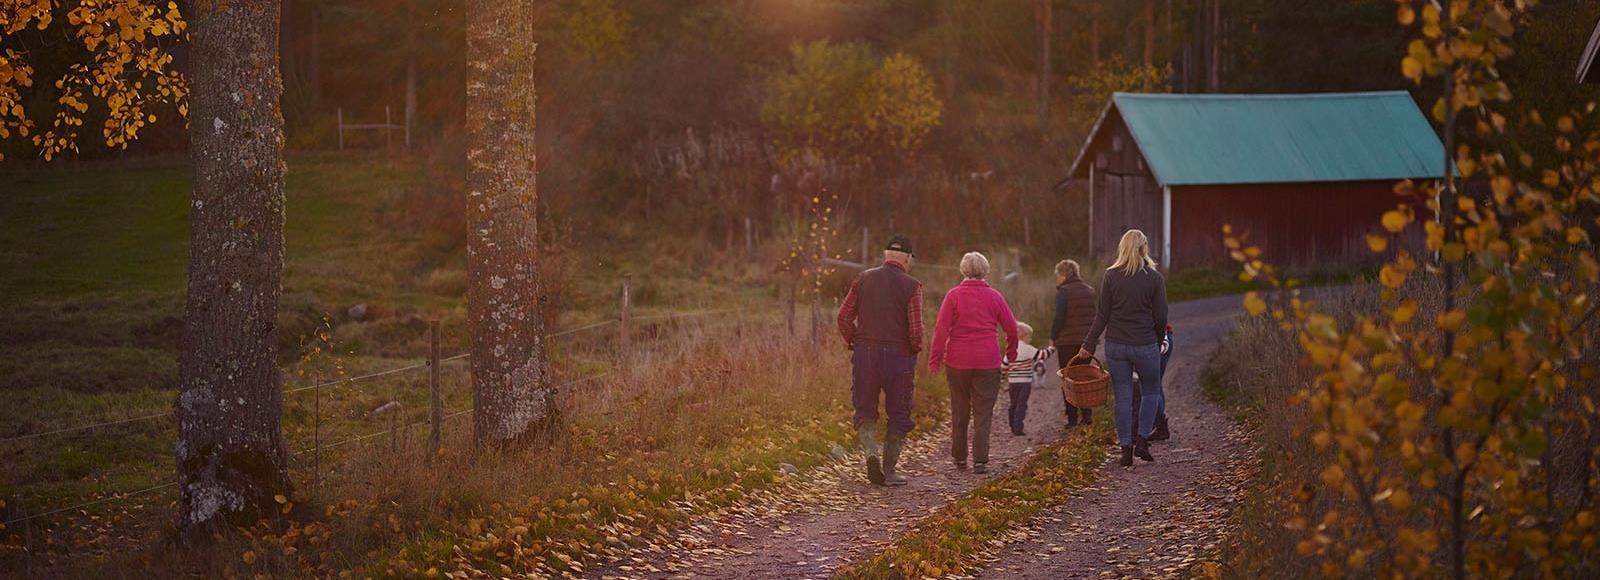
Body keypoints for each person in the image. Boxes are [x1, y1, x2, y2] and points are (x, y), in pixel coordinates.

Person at [837, 235, 924, 486]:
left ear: (885, 255)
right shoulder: (912, 286)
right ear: (907, 258)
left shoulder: (863, 279)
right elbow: (916, 331)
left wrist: (855, 340)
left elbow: (843, 317)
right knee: (899, 412)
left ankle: (871, 454)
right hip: (899, 357)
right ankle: (889, 470)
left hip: (866, 353)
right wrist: (914, 349)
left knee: (864, 409)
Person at [1077, 230, 1169, 467]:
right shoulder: (1155, 278)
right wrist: (1159, 341)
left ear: (1123, 248)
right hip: (1146, 343)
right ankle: (1142, 440)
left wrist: (1088, 344)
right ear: (1144, 247)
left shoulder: (1111, 276)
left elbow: (1102, 315)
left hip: (1116, 345)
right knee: (1150, 392)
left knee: (1123, 397)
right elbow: (1161, 317)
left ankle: (1125, 449)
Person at [929, 251, 1019, 474]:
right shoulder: (995, 297)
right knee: (983, 412)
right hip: (988, 361)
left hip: (958, 361)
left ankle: (960, 458)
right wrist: (1012, 354)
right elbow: (1012, 329)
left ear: (963, 270)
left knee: (960, 410)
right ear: (985, 271)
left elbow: (941, 330)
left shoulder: (953, 296)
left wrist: (935, 359)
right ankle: (980, 460)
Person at [1050, 259, 1097, 428]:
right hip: (1086, 342)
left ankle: (1072, 419)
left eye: (1058, 275)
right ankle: (1087, 416)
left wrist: (1053, 336)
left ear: (1063, 274)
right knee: (1083, 378)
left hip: (1067, 342)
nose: (1057, 279)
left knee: (1068, 379)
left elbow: (1059, 317)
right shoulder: (1089, 290)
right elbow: (1094, 316)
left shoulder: (1064, 291)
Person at [1003, 322, 1056, 436]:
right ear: (1023, 336)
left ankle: (1012, 424)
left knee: (1014, 403)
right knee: (1022, 404)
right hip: (1024, 383)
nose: (1030, 339)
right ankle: (1018, 427)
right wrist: (1052, 347)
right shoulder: (1027, 349)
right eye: (1029, 337)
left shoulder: (1011, 348)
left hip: (1012, 382)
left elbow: (1003, 366)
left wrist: (1009, 371)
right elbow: (1043, 355)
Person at [1130, 324, 1174, 441]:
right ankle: (1159, 425)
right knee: (1154, 385)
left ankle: (1156, 424)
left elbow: (1158, 318)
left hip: (1157, 341)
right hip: (1152, 341)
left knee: (1150, 386)